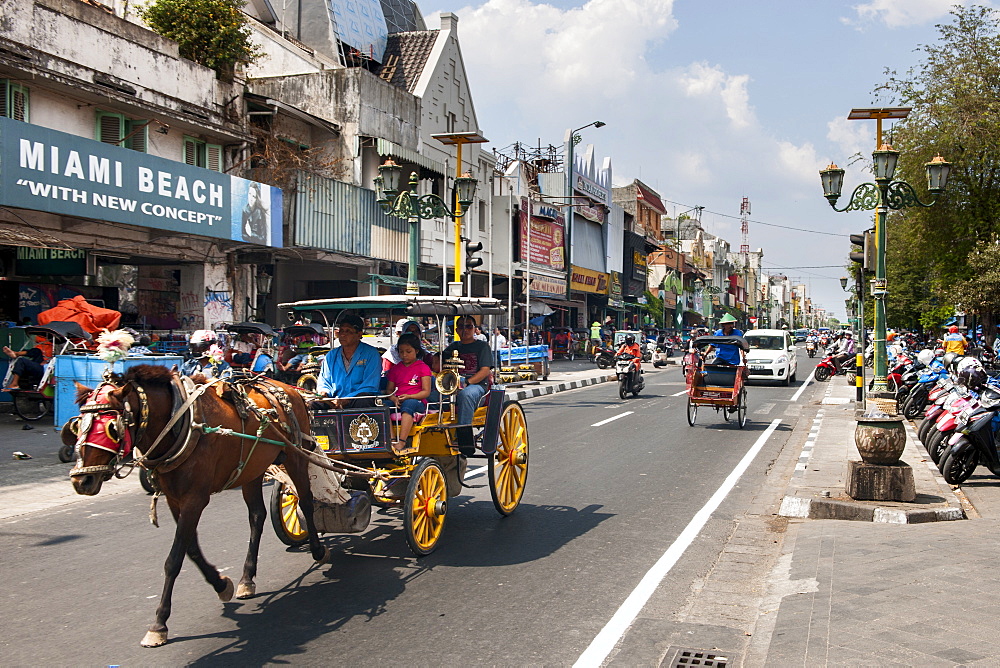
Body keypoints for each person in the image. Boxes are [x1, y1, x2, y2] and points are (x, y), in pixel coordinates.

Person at [438, 315, 493, 452]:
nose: (465, 330)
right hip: (452, 385)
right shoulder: (453, 347)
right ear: (456, 330)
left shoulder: (482, 346)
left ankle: (463, 438)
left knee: (466, 395)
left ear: (475, 329)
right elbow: (438, 361)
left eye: (468, 326)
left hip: (477, 386)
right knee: (432, 394)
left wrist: (466, 382)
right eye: (461, 327)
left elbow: (485, 370)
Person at [316, 314, 383, 408]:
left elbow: (370, 385)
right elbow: (324, 381)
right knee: (313, 404)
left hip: (357, 399)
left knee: (364, 400)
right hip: (334, 400)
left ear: (359, 334)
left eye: (348, 331)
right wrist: (324, 393)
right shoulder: (331, 355)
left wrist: (347, 399)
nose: (343, 335)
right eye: (341, 331)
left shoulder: (371, 354)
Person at [386, 333, 433, 454]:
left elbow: (425, 392)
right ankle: (390, 440)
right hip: (397, 400)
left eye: (408, 351)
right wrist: (393, 398)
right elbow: (389, 390)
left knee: (408, 405)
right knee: (382, 406)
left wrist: (409, 396)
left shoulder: (423, 368)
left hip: (416, 401)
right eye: (401, 352)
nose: (404, 355)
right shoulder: (396, 368)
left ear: (416, 351)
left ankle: (401, 441)